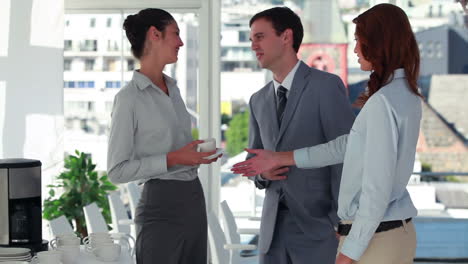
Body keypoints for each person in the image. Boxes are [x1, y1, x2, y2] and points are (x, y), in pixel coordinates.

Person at [233, 4, 422, 264]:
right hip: (278, 233)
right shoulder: (404, 95)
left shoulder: (370, 98)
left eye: (358, 40)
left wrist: (346, 243)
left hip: (340, 233)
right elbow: (345, 146)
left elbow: (370, 183)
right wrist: (271, 165)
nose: (355, 48)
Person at [107, 8, 219, 264]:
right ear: (155, 35)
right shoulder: (128, 99)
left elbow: (175, 150)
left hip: (193, 197)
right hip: (161, 205)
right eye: (176, 34)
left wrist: (192, 155)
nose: (180, 42)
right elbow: (116, 171)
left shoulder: (174, 89)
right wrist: (174, 158)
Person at [246, 7, 355, 264]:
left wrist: (339, 221)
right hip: (271, 234)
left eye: (260, 37)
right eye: (251, 40)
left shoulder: (326, 86)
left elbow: (347, 154)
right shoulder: (257, 101)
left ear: (286, 37)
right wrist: (262, 173)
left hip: (320, 231)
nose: (253, 46)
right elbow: (255, 162)